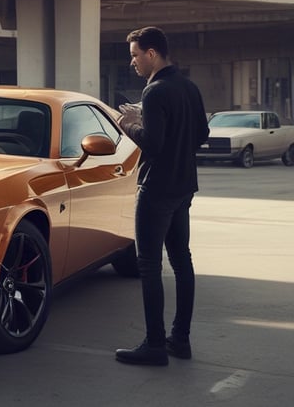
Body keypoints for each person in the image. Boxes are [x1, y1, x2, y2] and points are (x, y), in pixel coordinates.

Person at [114, 26, 209, 366]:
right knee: (182, 260)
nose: (133, 63)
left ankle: (155, 345)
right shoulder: (188, 86)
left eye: (135, 55)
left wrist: (128, 124)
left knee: (149, 265)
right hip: (184, 186)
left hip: (156, 188)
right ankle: (179, 340)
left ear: (151, 53)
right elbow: (202, 133)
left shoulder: (155, 92)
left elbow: (153, 144)